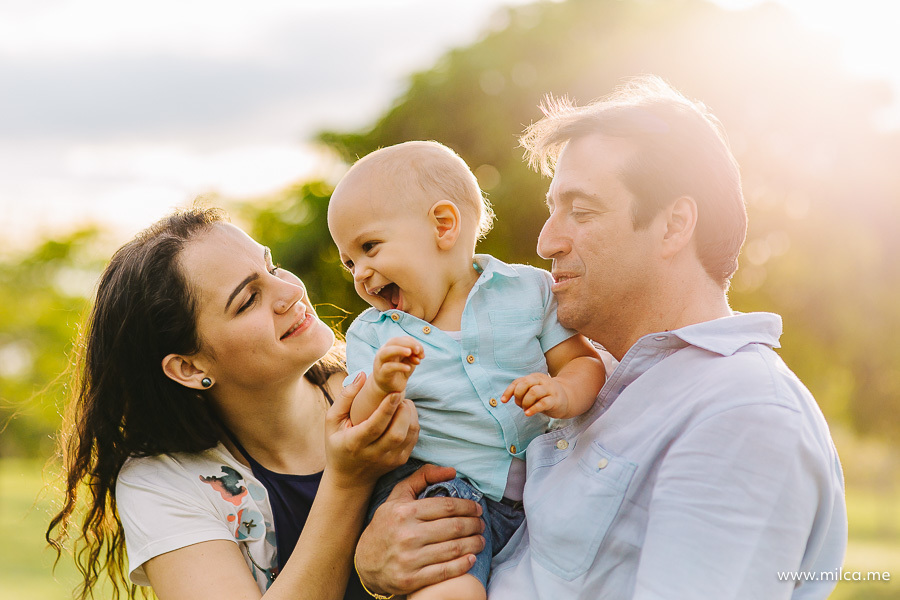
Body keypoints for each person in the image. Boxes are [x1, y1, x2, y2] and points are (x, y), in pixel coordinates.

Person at [355, 76, 848, 599]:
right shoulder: (592, 379)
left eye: (582, 211)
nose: (546, 241)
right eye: (552, 209)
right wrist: (383, 562)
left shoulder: (742, 413)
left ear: (674, 225)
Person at [45, 207, 485, 600]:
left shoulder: (393, 377)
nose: (290, 292)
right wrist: (350, 485)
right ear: (186, 366)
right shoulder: (164, 483)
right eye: (249, 299)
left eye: (272, 266)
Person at [326, 141, 606, 600]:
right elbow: (361, 421)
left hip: (542, 487)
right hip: (446, 495)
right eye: (350, 262)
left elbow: (581, 362)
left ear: (443, 225)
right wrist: (381, 385)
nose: (360, 273)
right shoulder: (373, 334)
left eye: (370, 247)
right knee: (453, 589)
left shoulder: (527, 290)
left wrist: (563, 394)